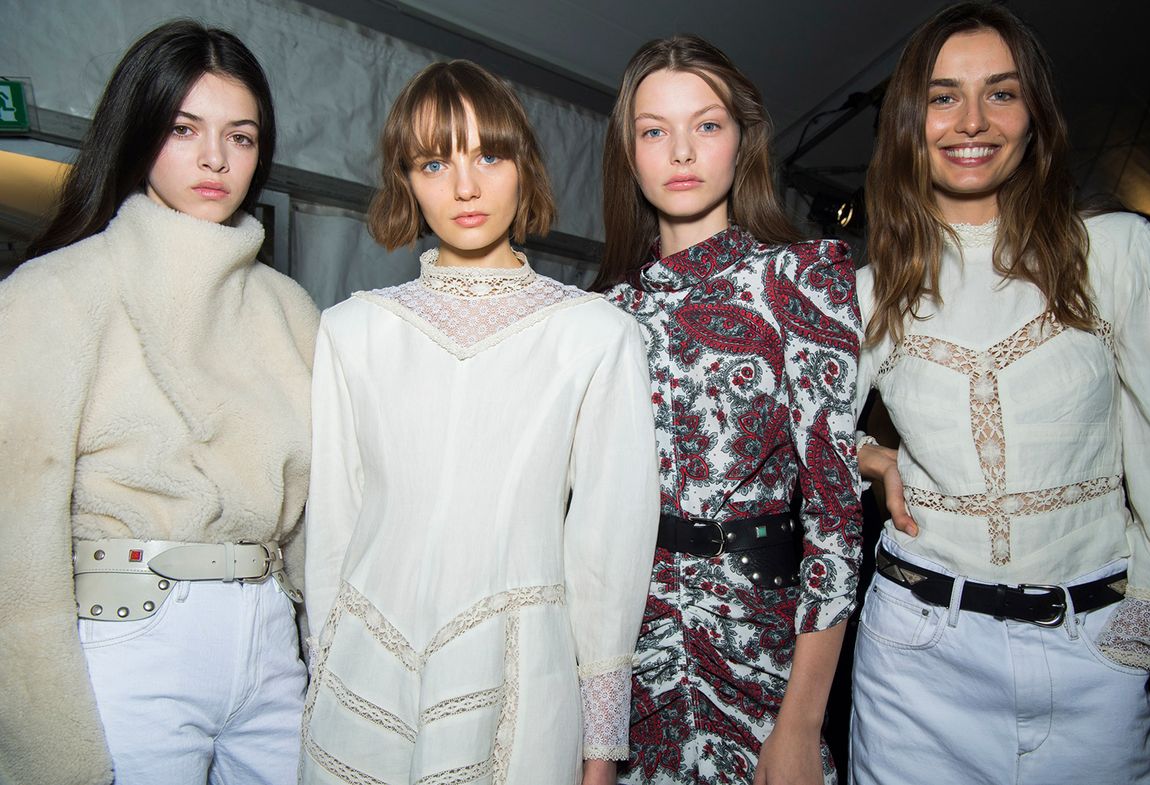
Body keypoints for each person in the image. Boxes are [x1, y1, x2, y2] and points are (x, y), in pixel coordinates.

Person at [848, 4, 1150, 784]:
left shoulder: (1117, 254)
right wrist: (870, 455)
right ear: (909, 121)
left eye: (1000, 93)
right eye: (943, 96)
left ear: (1035, 115)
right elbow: (785, 436)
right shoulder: (873, 294)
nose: (972, 120)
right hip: (915, 663)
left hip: (1094, 658)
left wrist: (1135, 640)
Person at [299, 59, 659, 785]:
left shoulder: (596, 335)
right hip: (364, 675)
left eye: (488, 155)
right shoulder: (350, 332)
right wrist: (320, 675)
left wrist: (600, 750)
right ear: (407, 181)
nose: (465, 186)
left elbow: (607, 559)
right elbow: (331, 534)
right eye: (434, 161)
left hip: (525, 686)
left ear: (524, 166)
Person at [0, 20, 318, 785]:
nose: (216, 158)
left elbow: (320, 518)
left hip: (270, 636)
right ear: (140, 129)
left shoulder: (291, 309)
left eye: (241, 137)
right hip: (128, 634)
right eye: (185, 129)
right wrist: (41, 727)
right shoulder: (52, 294)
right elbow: (15, 534)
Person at [593, 35, 863, 785]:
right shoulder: (602, 316)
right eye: (654, 130)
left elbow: (836, 521)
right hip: (632, 660)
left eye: (706, 125)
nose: (681, 150)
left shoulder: (801, 280)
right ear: (630, 152)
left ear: (743, 140)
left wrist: (803, 722)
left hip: (764, 655)